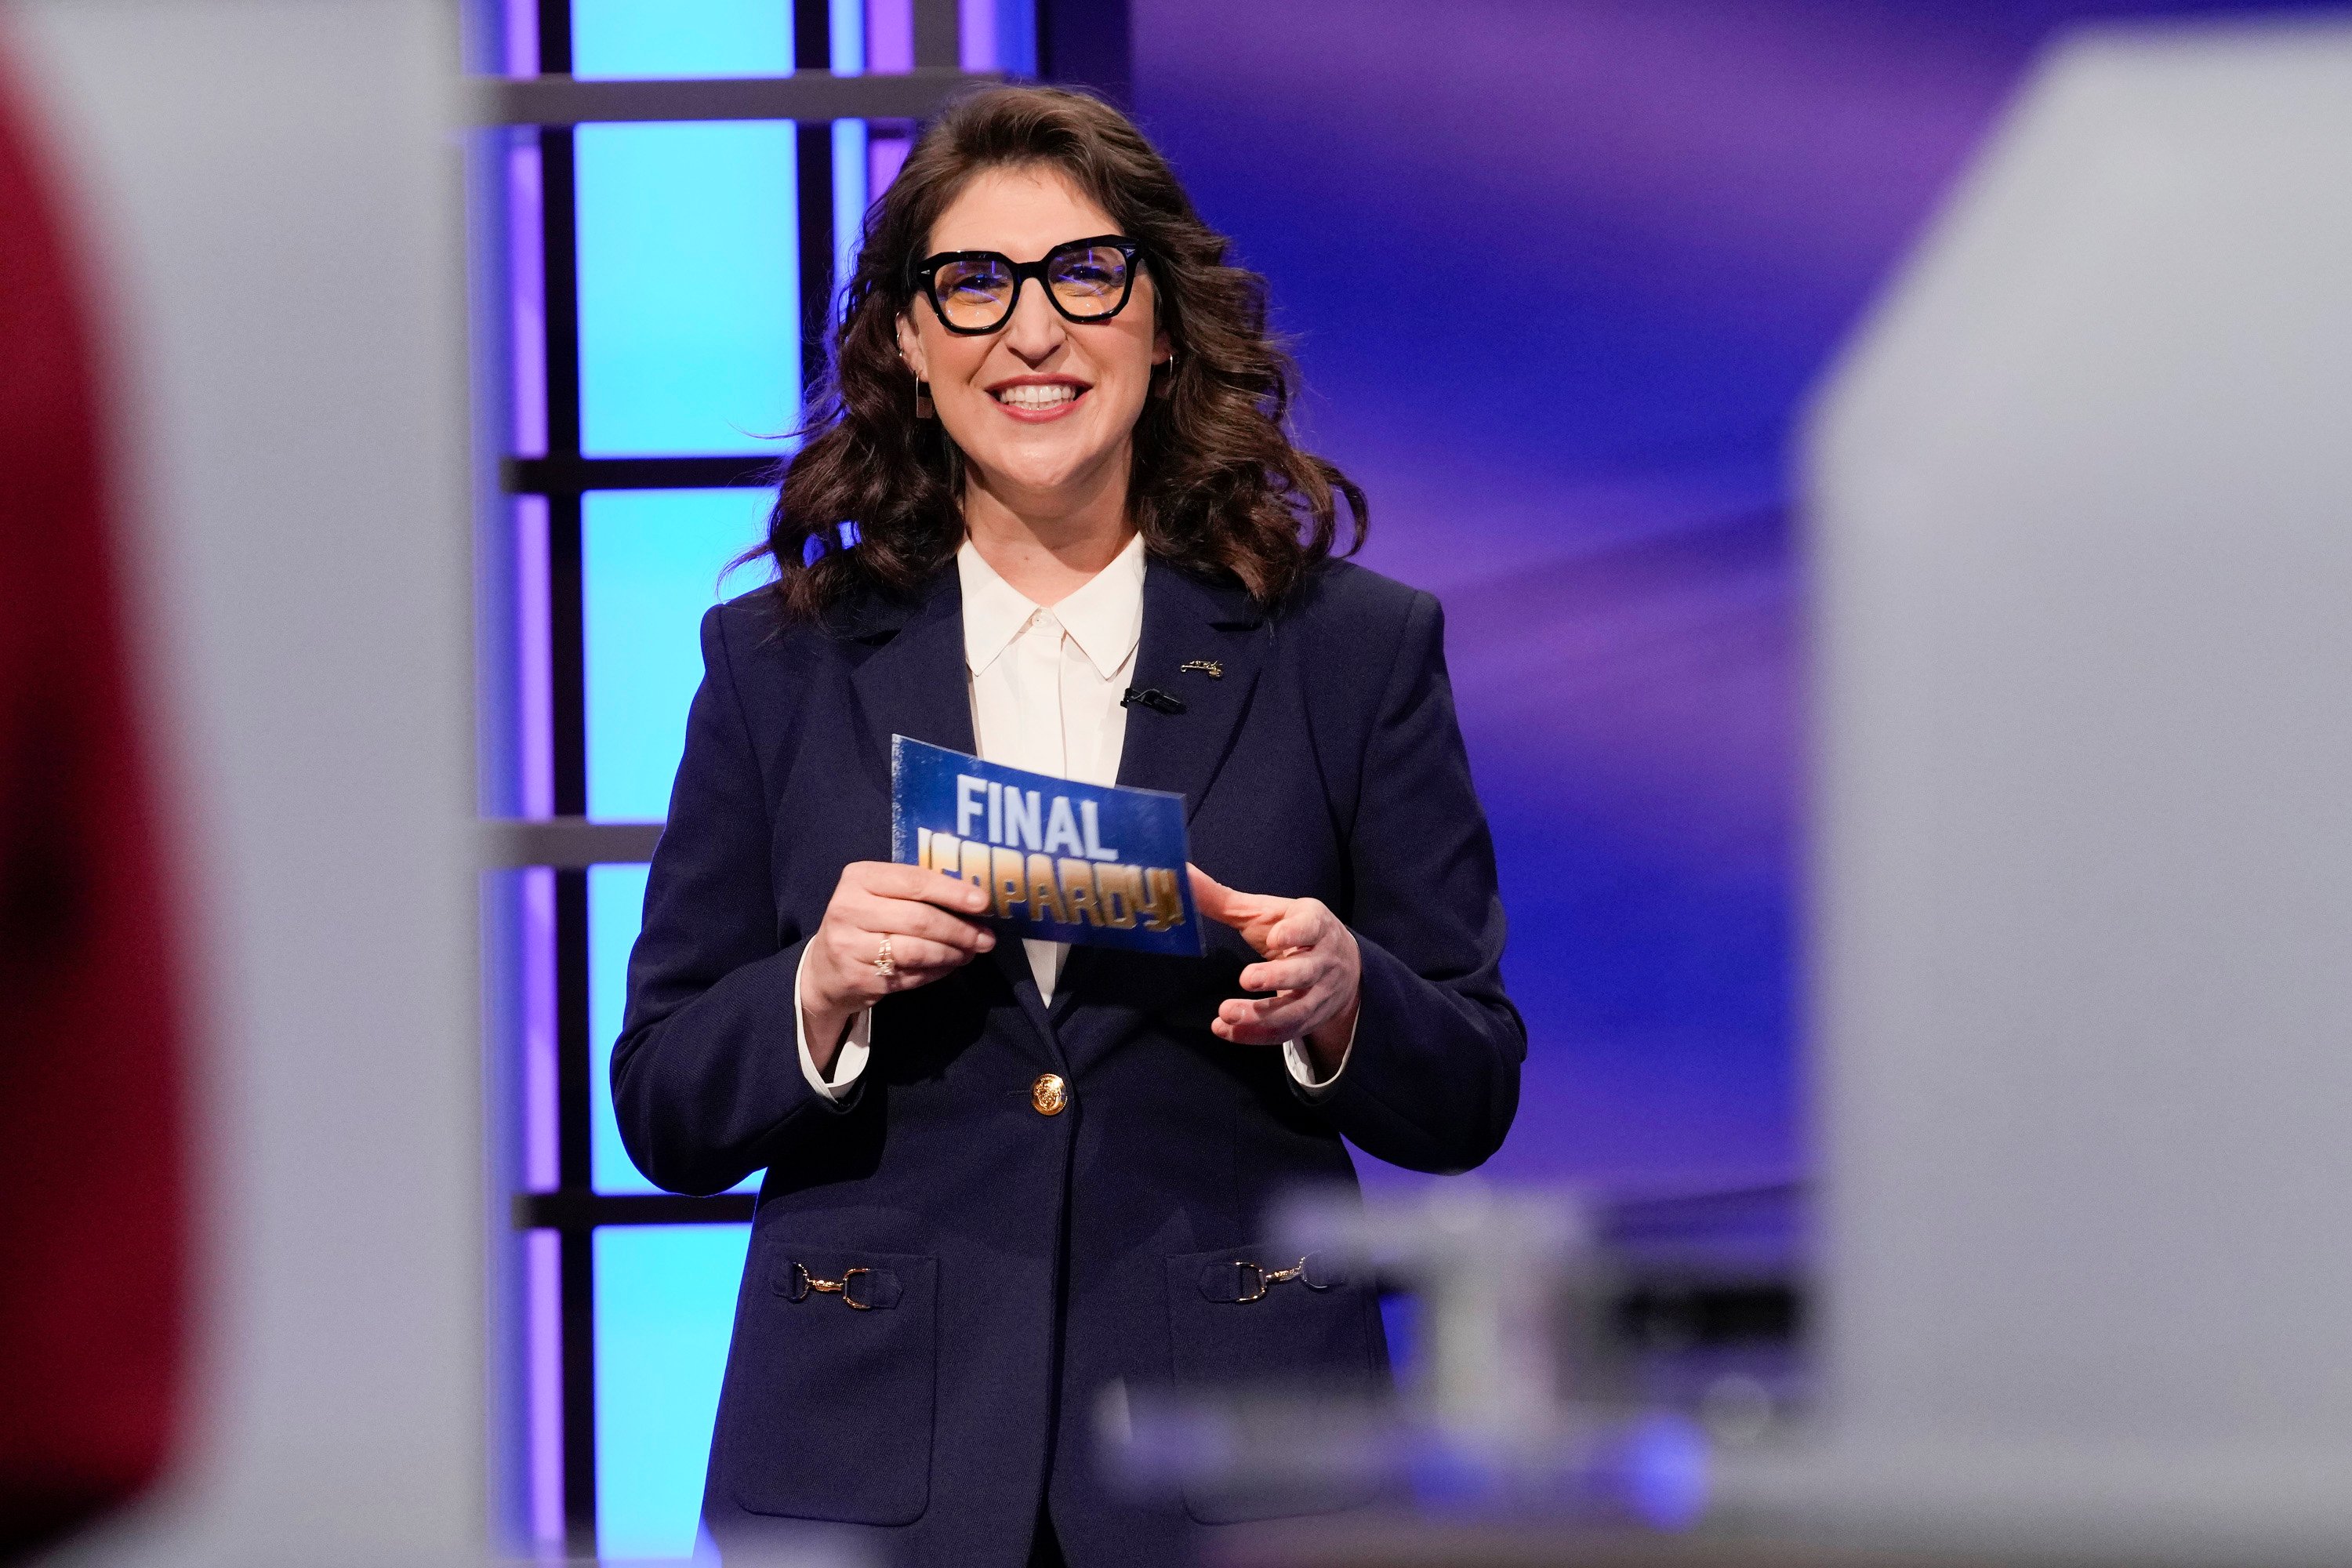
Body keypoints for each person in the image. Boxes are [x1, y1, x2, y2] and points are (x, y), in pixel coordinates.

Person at [613, 85, 1521, 1568]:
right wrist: (818, 989)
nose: (1029, 332)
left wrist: (1349, 1000)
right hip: (866, 1463)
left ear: (1162, 325)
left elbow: (1472, 1086)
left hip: (1243, 1474)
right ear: (909, 345)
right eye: (971, 285)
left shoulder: (1347, 650)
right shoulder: (779, 664)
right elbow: (661, 1103)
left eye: (1082, 274)